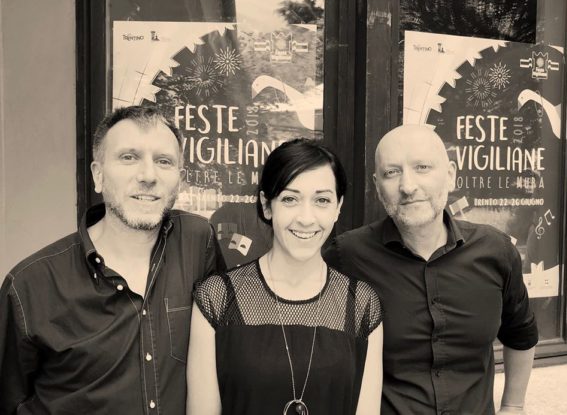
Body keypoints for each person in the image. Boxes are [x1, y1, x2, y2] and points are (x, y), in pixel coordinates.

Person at [0, 105, 224, 414]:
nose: (148, 176)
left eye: (163, 161)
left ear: (180, 180)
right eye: (129, 157)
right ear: (98, 175)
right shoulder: (30, 286)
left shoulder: (198, 242)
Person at [323, 125, 538, 415]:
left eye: (422, 167)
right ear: (377, 186)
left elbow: (521, 333)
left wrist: (513, 406)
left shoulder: (496, 251)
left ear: (450, 175)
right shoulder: (346, 256)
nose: (407, 186)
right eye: (391, 172)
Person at [187, 138, 384, 415]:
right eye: (290, 199)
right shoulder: (217, 298)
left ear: (338, 207)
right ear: (267, 205)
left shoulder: (361, 304)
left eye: (322, 200)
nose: (306, 218)